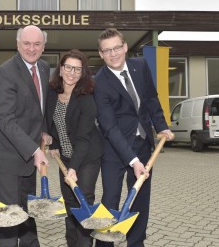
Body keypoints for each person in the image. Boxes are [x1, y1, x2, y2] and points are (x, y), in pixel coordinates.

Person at [94, 28, 174, 247]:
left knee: (140, 199)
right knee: (111, 199)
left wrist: (161, 126)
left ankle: (136, 242)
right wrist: (133, 161)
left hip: (143, 144)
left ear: (125, 47)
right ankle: (104, 244)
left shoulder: (141, 66)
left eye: (117, 47)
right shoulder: (99, 82)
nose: (113, 54)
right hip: (114, 149)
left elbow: (150, 99)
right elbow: (109, 127)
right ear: (101, 54)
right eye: (107, 50)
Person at [0, 25, 51, 247]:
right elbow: (4, 118)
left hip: (29, 154)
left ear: (43, 47)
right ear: (17, 44)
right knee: (8, 216)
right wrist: (34, 150)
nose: (31, 48)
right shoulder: (5, 72)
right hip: (7, 156)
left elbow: (39, 106)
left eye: (37, 44)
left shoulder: (43, 68)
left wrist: (44, 130)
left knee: (27, 210)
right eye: (26, 43)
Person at [46, 49, 104, 247]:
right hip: (66, 156)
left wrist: (73, 169)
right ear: (61, 69)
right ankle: (72, 243)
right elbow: (51, 122)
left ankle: (84, 243)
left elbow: (83, 137)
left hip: (87, 156)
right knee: (69, 203)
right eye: (68, 67)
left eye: (77, 69)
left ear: (82, 73)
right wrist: (53, 143)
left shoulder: (86, 98)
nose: (72, 72)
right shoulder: (52, 93)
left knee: (84, 201)